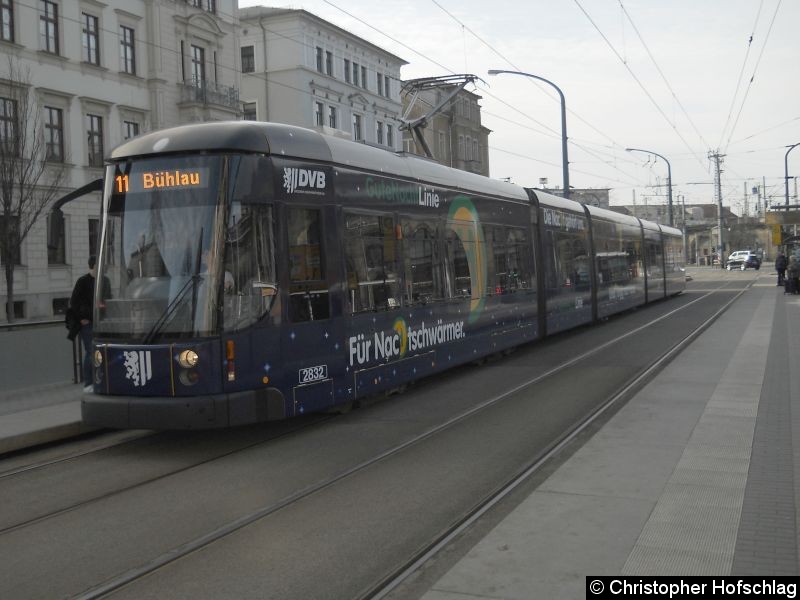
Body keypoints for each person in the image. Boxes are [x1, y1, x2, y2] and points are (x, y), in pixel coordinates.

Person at [70, 256, 98, 391]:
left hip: (100, 322)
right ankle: (88, 382)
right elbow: (73, 302)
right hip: (87, 323)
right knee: (90, 350)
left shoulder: (104, 281)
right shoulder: (83, 281)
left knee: (98, 351)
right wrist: (81, 318)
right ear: (94, 266)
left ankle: (98, 380)